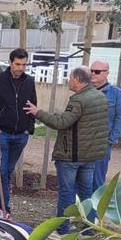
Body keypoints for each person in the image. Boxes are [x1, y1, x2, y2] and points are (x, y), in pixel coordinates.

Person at [24, 67, 108, 231]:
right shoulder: (100, 97)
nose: (68, 81)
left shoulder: (79, 100)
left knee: (66, 193)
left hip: (72, 156)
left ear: (77, 79)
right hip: (89, 157)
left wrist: (37, 112)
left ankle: (63, 229)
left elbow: (62, 123)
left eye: (69, 78)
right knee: (86, 194)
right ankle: (89, 229)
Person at [0, 48, 37, 214]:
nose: (20, 68)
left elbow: (32, 106)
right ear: (10, 62)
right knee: (0, 171)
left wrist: (28, 128)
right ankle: (0, 206)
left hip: (20, 135)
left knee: (7, 171)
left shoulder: (29, 82)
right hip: (3, 134)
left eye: (24, 64)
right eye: (17, 64)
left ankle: (0, 204)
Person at [89, 60, 121, 192]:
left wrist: (111, 139)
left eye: (97, 71)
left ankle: (94, 212)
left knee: (97, 180)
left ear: (107, 73)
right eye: (91, 71)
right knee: (80, 180)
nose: (93, 74)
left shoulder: (116, 94)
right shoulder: (83, 91)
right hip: (82, 143)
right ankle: (78, 211)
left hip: (101, 144)